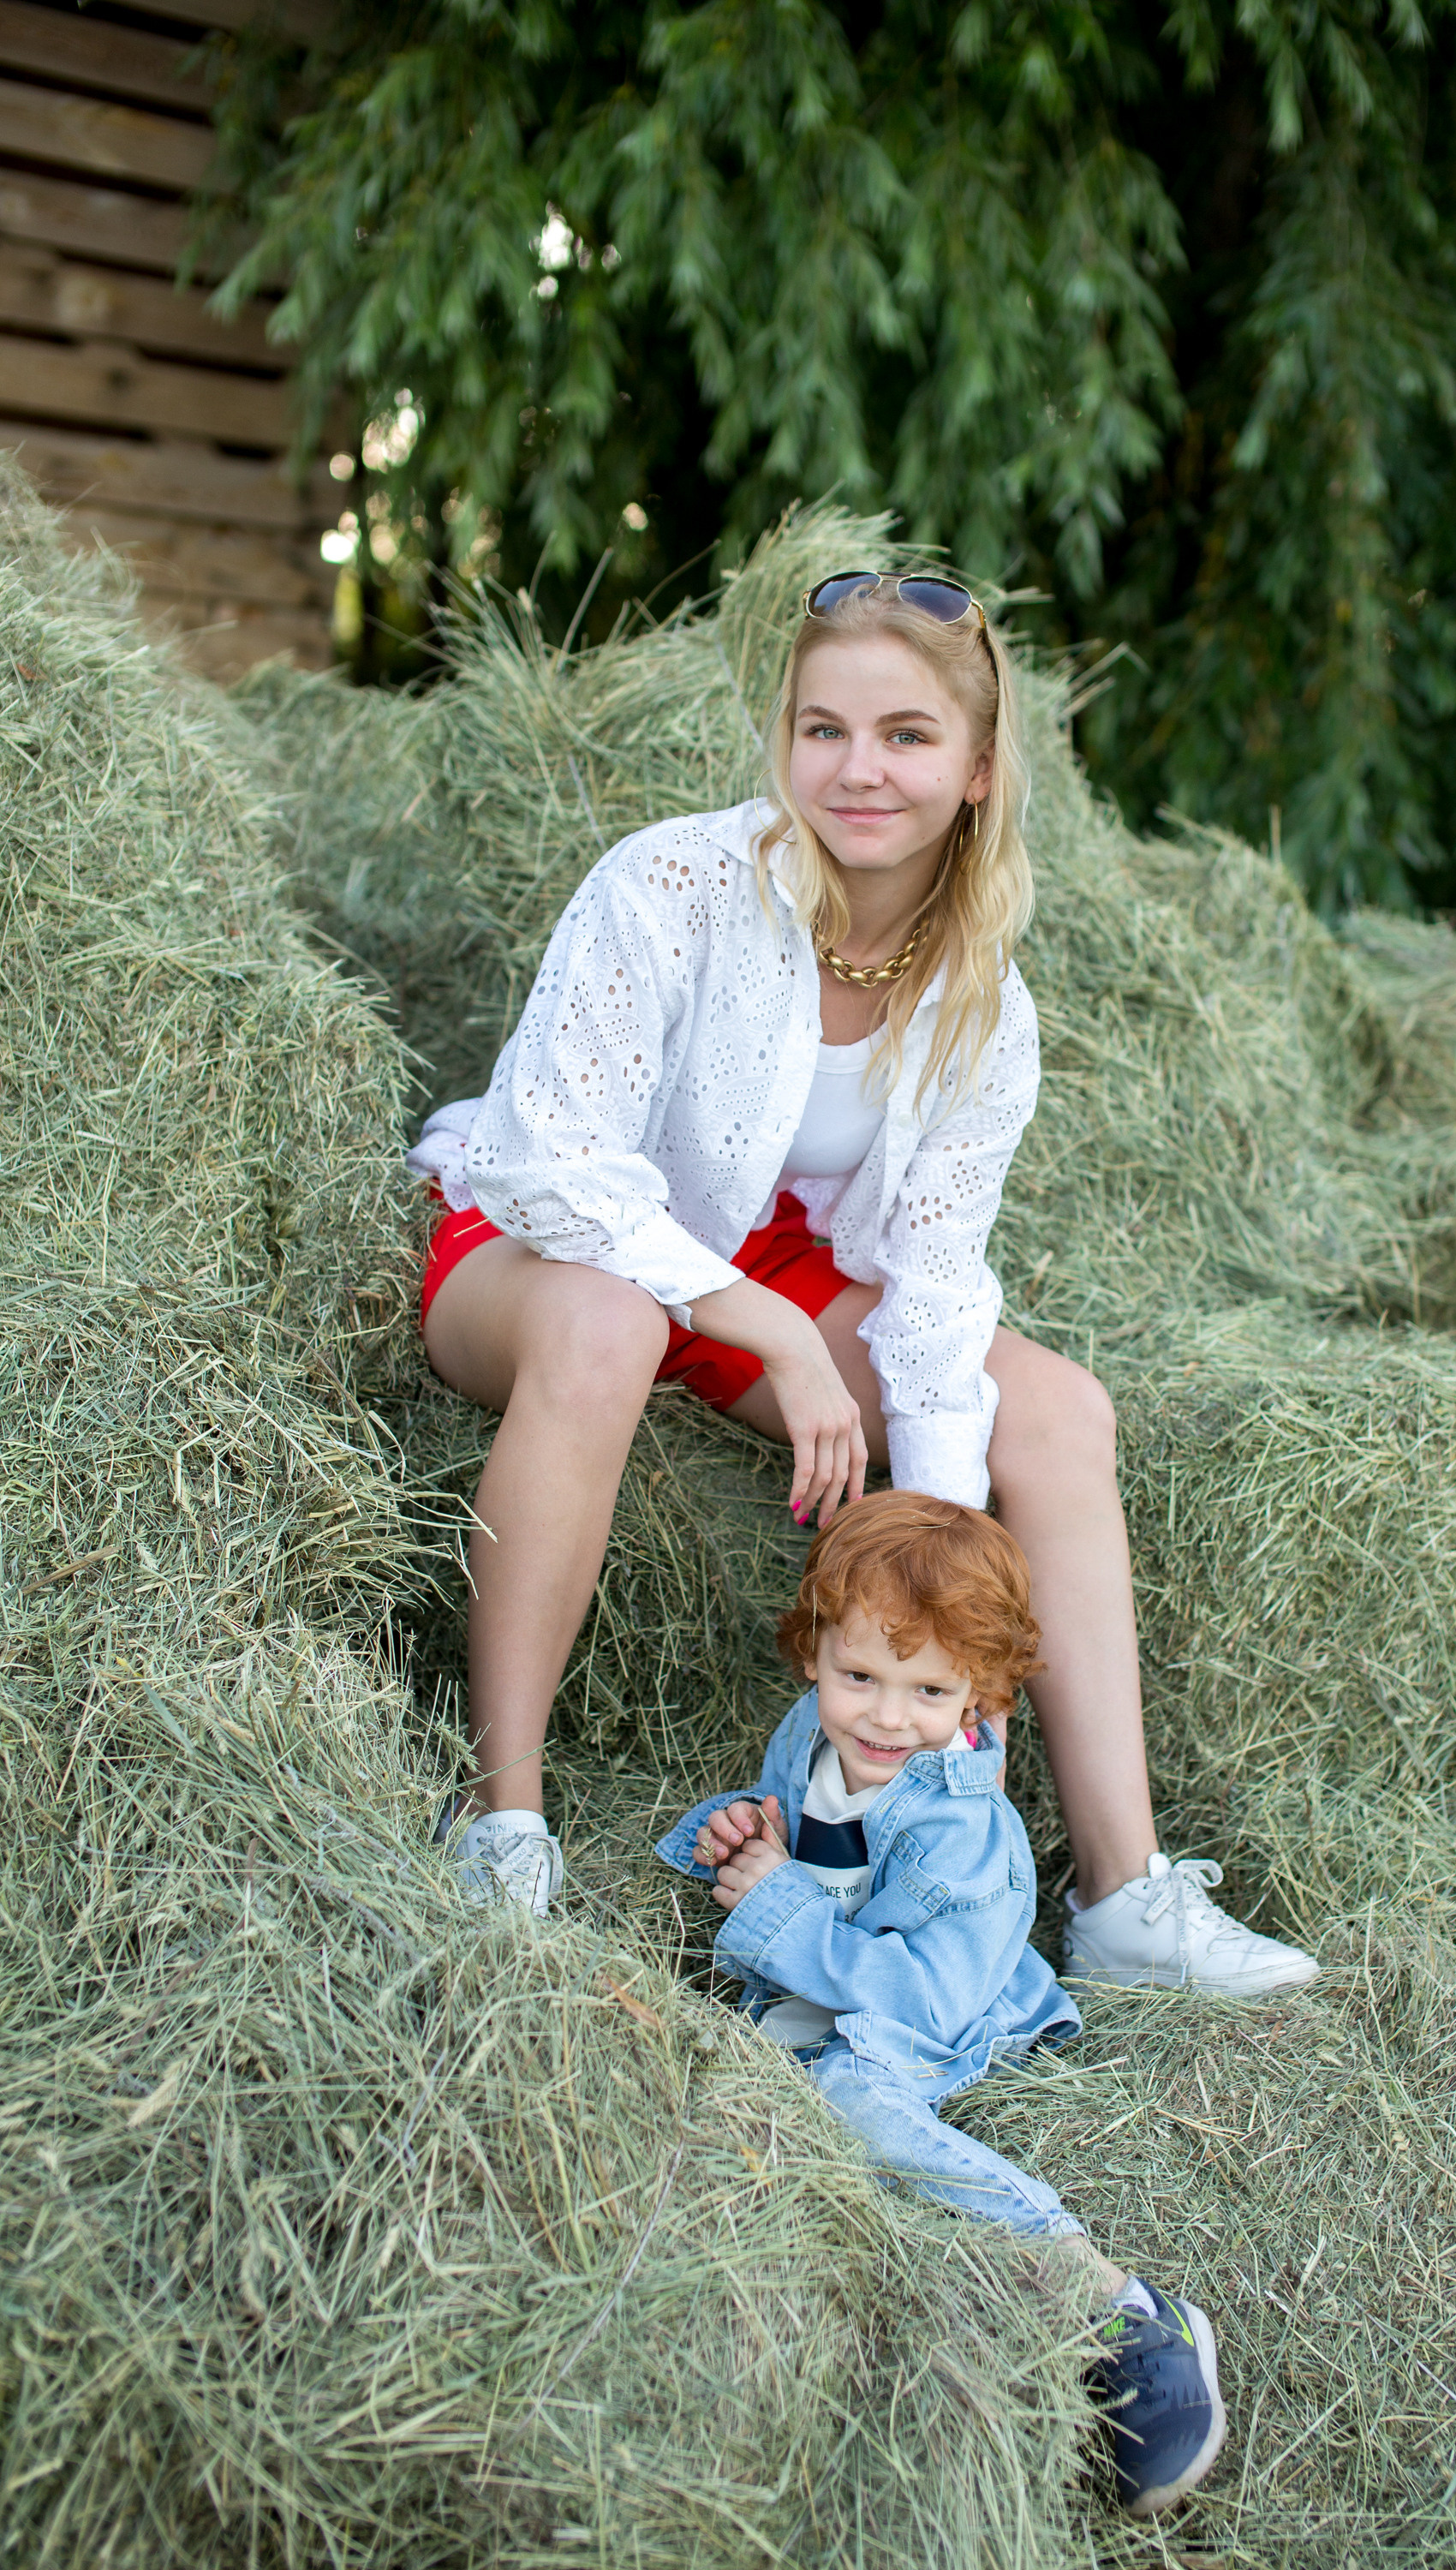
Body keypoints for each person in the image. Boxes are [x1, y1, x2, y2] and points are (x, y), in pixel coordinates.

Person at [411, 565, 1316, 1993]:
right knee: (604, 1325)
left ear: (974, 767)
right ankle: (503, 1812)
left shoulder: (980, 1000)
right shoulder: (670, 884)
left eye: (903, 735)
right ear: (783, 739)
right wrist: (765, 1323)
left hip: (752, 1250)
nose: (857, 767)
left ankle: (1123, 1894)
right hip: (551, 1231)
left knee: (1059, 1410)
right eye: (822, 728)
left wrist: (945, 1590)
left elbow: (938, 1294)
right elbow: (546, 1158)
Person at [657, 1491, 1228, 2519]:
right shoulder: (810, 1733)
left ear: (978, 1693)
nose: (884, 1715)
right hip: (829, 1974)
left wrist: (783, 1917)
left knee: (854, 2106)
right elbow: (805, 1839)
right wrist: (749, 1835)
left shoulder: (965, 1835)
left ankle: (1119, 2311)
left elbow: (927, 1997)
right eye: (857, 1676)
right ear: (813, 1653)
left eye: (926, 1691)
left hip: (939, 2005)